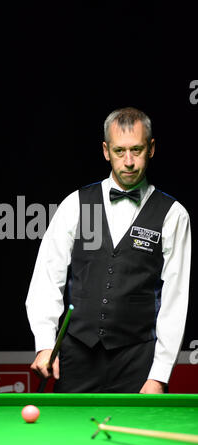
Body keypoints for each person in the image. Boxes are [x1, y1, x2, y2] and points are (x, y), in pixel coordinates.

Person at [25, 107, 191, 393]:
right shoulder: (79, 205)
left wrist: (160, 374)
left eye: (137, 150)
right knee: (69, 438)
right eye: (119, 151)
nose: (128, 161)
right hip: (77, 356)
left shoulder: (172, 214)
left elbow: (175, 300)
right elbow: (47, 278)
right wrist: (44, 343)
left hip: (138, 361)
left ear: (151, 148)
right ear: (105, 151)